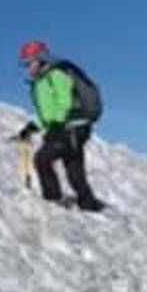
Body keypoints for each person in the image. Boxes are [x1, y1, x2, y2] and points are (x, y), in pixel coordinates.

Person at [14, 40, 105, 212]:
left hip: (72, 127)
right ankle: (89, 204)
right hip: (71, 127)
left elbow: (64, 102)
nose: (28, 67)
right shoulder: (41, 81)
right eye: (25, 64)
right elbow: (49, 113)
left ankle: (53, 201)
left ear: (41, 59)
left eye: (30, 62)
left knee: (42, 159)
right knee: (73, 168)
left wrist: (57, 124)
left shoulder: (56, 74)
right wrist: (32, 127)